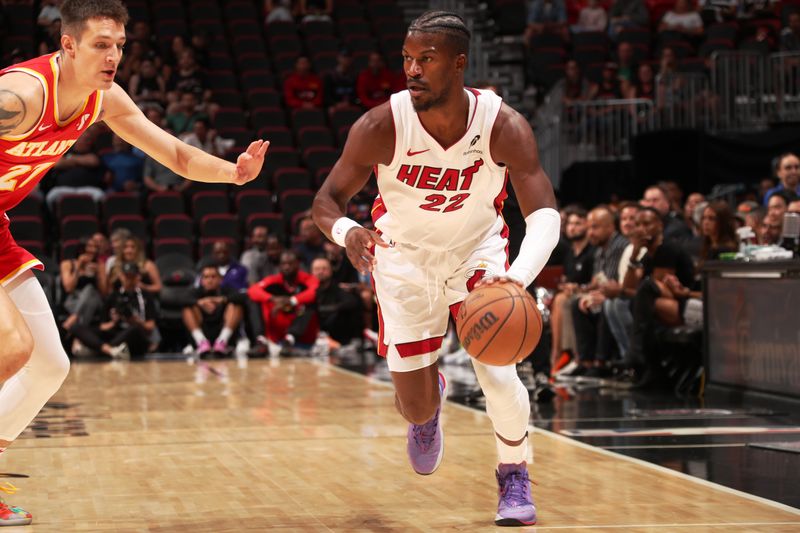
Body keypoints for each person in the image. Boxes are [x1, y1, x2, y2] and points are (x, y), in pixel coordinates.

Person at [0, 1, 268, 524]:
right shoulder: (21, 95)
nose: (114, 56)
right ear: (68, 45)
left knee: (49, 366)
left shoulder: (103, 99)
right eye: (102, 44)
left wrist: (235, 174)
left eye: (120, 45)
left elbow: (177, 155)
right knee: (14, 346)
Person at [311, 12, 559, 526]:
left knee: (496, 367)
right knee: (417, 406)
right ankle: (429, 409)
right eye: (407, 59)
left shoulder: (502, 125)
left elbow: (545, 216)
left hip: (477, 253)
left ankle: (514, 473)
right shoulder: (381, 125)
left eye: (426, 59)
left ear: (459, 63)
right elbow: (326, 201)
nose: (412, 70)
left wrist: (517, 278)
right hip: (401, 260)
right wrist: (348, 232)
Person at [69, 261, 156, 358]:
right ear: (121, 276)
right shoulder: (113, 296)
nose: (128, 280)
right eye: (126, 276)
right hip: (115, 333)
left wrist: (136, 321)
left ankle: (99, 349)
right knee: (76, 327)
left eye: (131, 276)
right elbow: (102, 326)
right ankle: (109, 350)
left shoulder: (145, 296)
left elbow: (150, 327)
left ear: (137, 277)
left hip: (135, 336)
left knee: (134, 330)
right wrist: (114, 322)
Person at [247, 250, 320, 354]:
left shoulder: (306, 278)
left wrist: (291, 301)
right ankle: (261, 341)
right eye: (284, 264)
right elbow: (252, 291)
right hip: (277, 328)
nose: (287, 267)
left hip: (302, 331)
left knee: (310, 303)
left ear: (298, 264)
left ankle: (289, 340)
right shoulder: (273, 280)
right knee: (253, 300)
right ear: (279, 266)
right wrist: (273, 299)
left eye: (290, 264)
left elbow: (315, 291)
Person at [183, 265, 246, 356]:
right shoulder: (196, 292)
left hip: (223, 332)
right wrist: (199, 302)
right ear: (201, 280)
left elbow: (244, 297)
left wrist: (223, 299)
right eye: (206, 277)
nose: (210, 280)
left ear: (220, 279)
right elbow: (179, 300)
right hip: (203, 332)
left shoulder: (226, 290)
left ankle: (222, 341)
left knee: (235, 304)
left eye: (213, 277)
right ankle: (201, 342)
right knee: (187, 307)